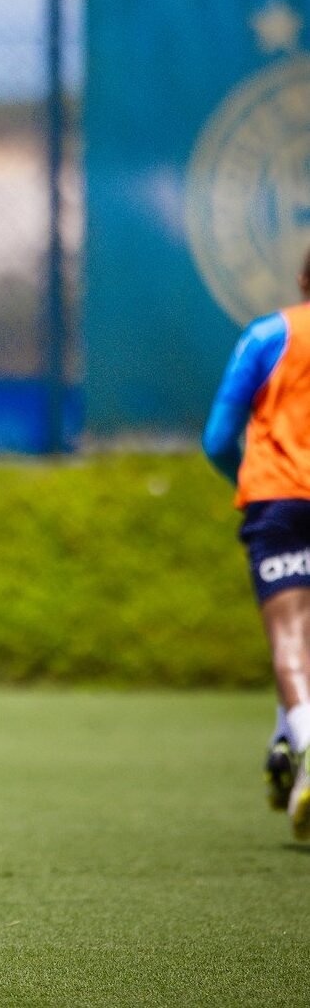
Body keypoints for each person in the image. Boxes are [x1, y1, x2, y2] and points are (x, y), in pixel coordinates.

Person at [203, 244, 310, 841]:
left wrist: (251, 480)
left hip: (283, 502)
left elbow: (219, 438)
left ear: (302, 277)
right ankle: (284, 743)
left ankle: (305, 750)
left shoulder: (269, 336)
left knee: (291, 638)